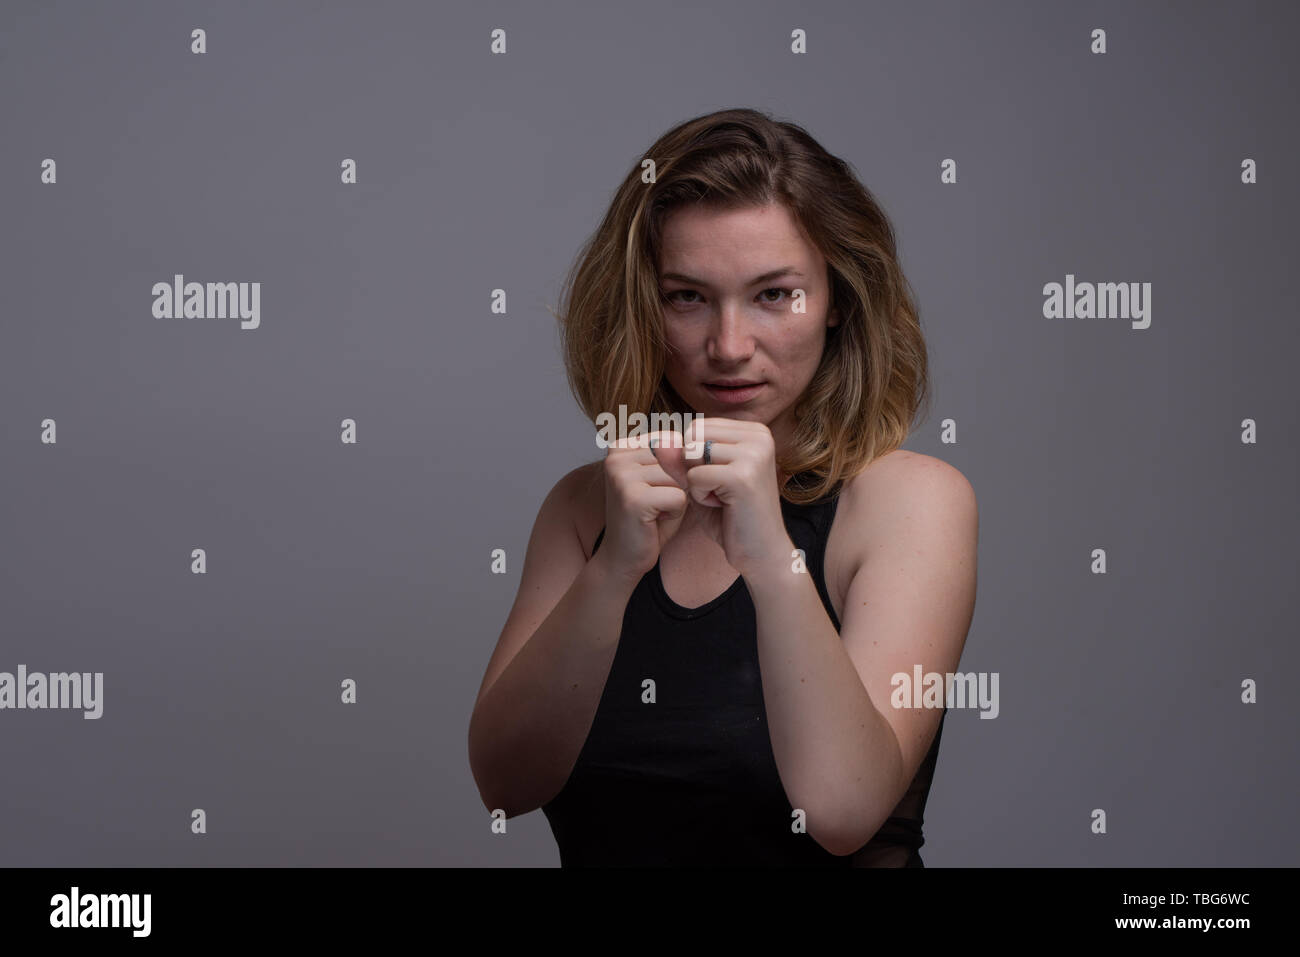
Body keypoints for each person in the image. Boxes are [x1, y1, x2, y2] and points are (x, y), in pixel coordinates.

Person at [468, 107, 978, 866]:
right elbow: (505, 787)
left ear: (838, 298)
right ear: (647, 305)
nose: (729, 347)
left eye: (775, 295)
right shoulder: (585, 508)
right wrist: (613, 572)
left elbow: (843, 807)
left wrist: (772, 554)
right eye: (688, 297)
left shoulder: (911, 502)